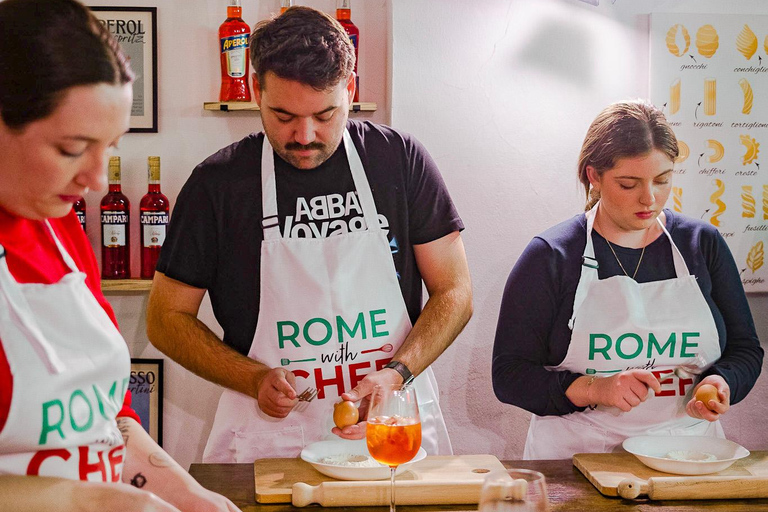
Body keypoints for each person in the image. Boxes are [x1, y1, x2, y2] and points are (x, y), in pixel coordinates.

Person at [147, 6, 471, 463]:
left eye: (325, 114)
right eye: (282, 115)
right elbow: (166, 318)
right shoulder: (217, 185)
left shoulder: (398, 160)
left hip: (388, 426)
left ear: (351, 89)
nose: (304, 135)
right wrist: (251, 379)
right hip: (270, 440)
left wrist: (397, 373)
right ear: (256, 89)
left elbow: (455, 292)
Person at [0, 1, 239, 510]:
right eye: (71, 148)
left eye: (108, 146)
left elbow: (108, 417)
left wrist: (190, 497)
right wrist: (93, 503)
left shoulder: (60, 227)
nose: (98, 180)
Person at [492, 100, 763, 460]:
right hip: (579, 458)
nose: (649, 198)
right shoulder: (552, 255)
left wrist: (721, 382)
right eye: (628, 183)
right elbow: (508, 375)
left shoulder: (701, 244)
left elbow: (745, 349)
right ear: (594, 175)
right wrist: (594, 389)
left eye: (662, 180)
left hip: (689, 455)